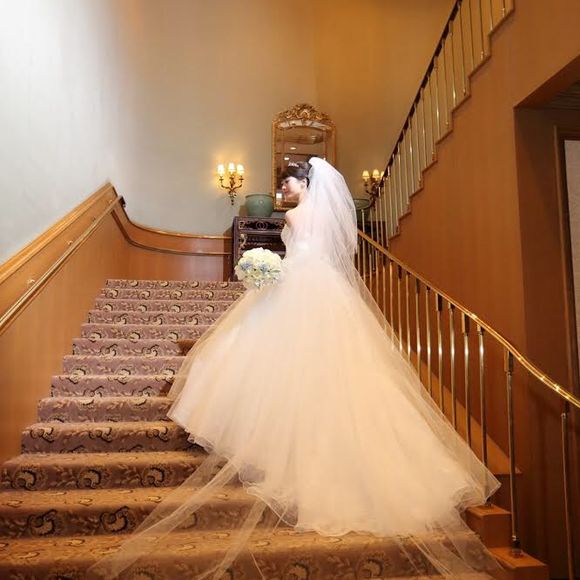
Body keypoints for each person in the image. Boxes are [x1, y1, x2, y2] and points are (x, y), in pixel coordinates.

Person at [88, 157, 501, 579]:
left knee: (258, 352)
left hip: (300, 286)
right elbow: (328, 254)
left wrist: (269, 270)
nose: (283, 188)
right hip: (327, 291)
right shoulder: (323, 216)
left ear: (304, 183)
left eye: (287, 182)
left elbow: (299, 258)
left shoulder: (296, 215)